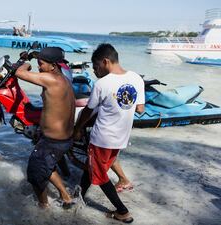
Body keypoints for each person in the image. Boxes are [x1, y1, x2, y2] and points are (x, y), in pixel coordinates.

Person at [74, 43, 145, 223]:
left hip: (102, 138)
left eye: (96, 67)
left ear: (105, 61)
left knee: (100, 175)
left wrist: (76, 129)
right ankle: (78, 196)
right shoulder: (136, 78)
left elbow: (87, 112)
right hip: (121, 137)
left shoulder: (102, 83)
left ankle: (123, 211)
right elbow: (140, 109)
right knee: (93, 168)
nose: (95, 72)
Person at [15, 47, 75, 209]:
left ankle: (43, 208)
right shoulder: (62, 79)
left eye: (41, 64)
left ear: (53, 65)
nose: (39, 67)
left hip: (54, 141)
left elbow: (19, 73)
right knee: (47, 166)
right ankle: (66, 196)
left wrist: (25, 62)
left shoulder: (50, 79)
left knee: (34, 174)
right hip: (63, 137)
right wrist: (35, 56)